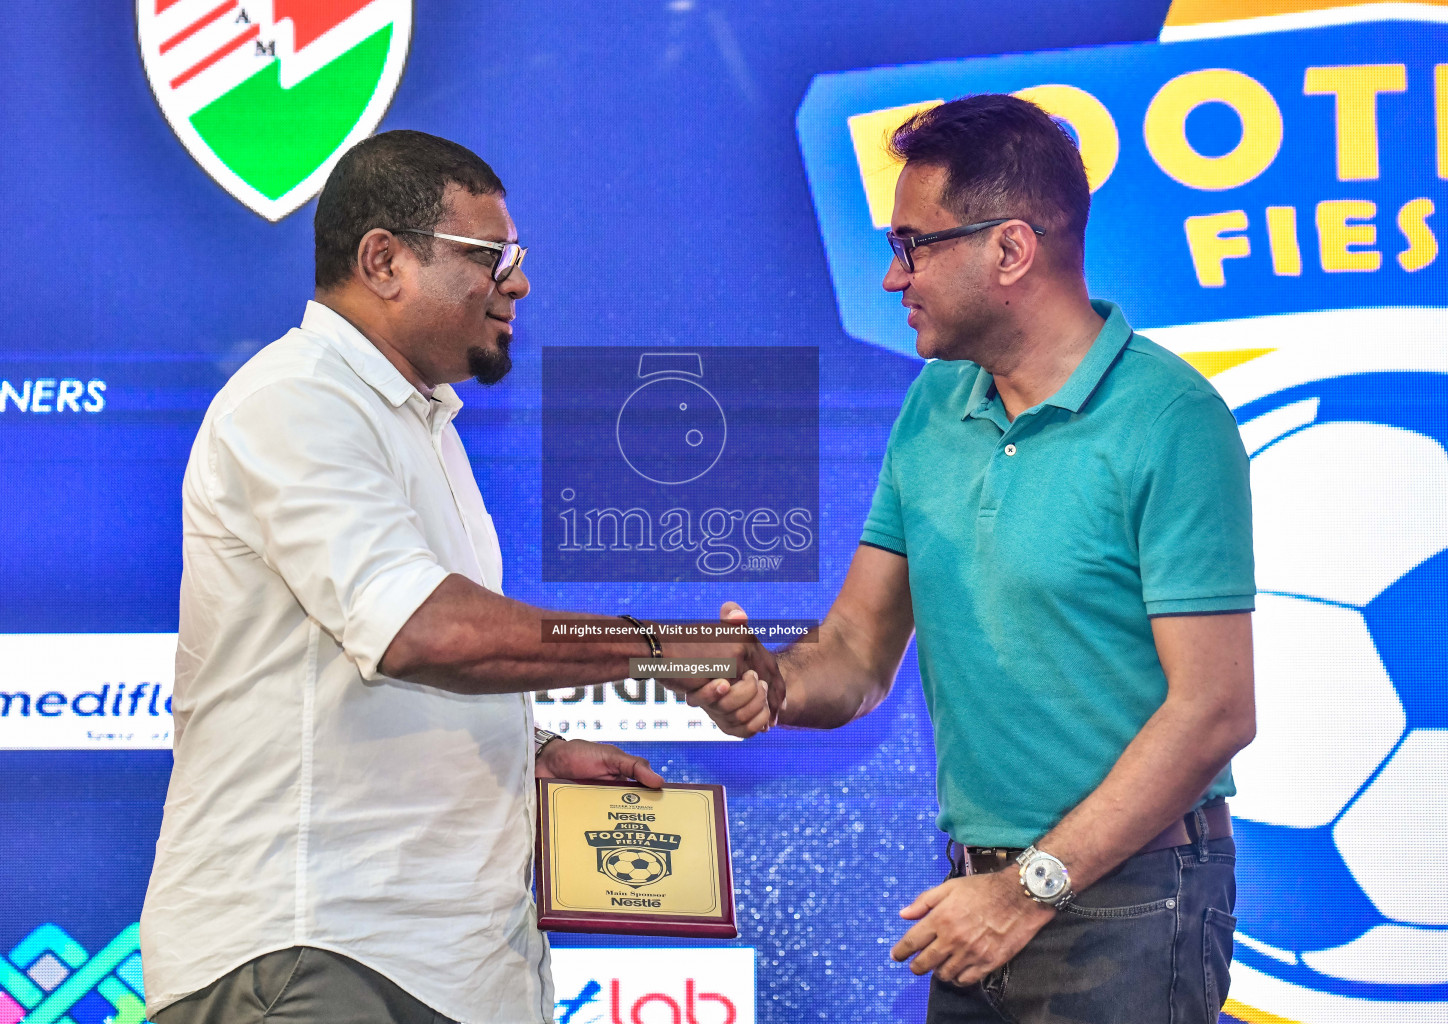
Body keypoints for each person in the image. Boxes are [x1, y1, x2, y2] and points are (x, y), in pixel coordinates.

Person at [140, 131, 779, 1024]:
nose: (517, 282)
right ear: (384, 261)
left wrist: (534, 760)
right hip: (320, 954)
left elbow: (366, 679)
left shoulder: (419, 426)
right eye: (491, 255)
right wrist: (664, 648)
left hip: (442, 966)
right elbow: (422, 632)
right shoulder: (295, 400)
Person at [693, 95, 1257, 1023]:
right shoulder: (932, 407)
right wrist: (772, 685)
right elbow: (855, 653)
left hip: (1130, 902)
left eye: (913, 245)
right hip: (976, 904)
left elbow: (1216, 710)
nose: (890, 276)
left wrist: (1024, 892)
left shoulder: (1171, 420)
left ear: (1010, 250)